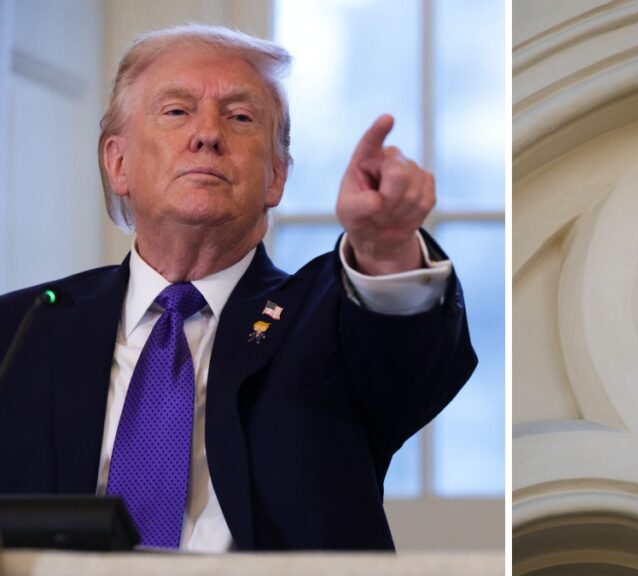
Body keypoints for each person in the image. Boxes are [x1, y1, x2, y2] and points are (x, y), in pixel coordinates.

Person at [0, 24, 476, 551]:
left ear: (276, 175)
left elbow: (406, 359)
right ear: (118, 163)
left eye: (240, 117)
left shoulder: (326, 318)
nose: (207, 134)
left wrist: (386, 248)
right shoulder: (22, 330)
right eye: (177, 111)